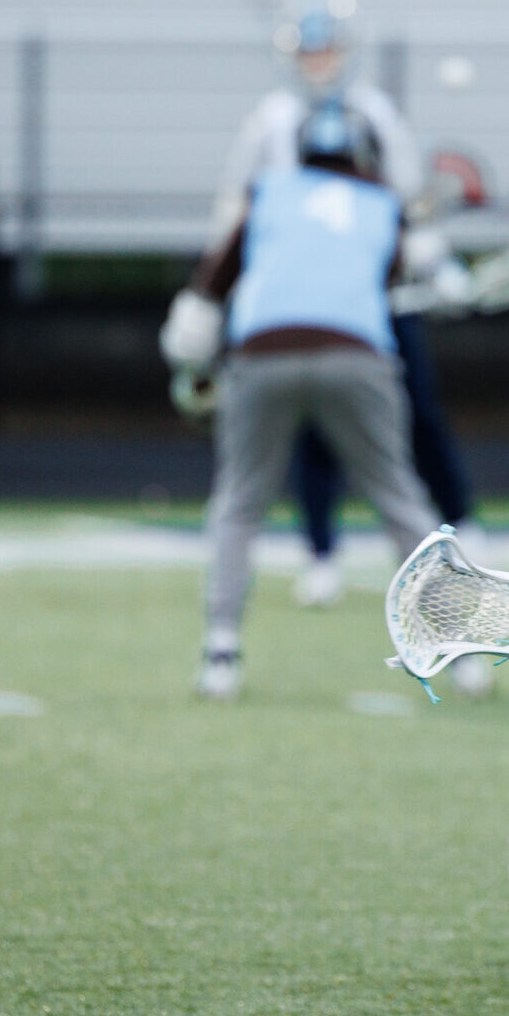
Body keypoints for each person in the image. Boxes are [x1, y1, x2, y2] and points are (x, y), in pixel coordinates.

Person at [161, 101, 440, 701]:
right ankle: (455, 648)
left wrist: (193, 363)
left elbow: (208, 291)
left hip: (261, 351)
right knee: (397, 495)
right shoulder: (381, 203)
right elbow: (390, 278)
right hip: (356, 352)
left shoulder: (268, 193)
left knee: (239, 503)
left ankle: (221, 651)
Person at [220, 0, 477, 624]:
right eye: (310, 52)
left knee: (418, 420)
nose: (319, 63)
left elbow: (406, 205)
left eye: (327, 50)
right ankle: (322, 551)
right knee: (317, 439)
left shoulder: (374, 114)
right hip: (310, 302)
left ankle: (461, 529)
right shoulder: (272, 121)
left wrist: (428, 260)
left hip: (371, 299)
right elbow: (238, 209)